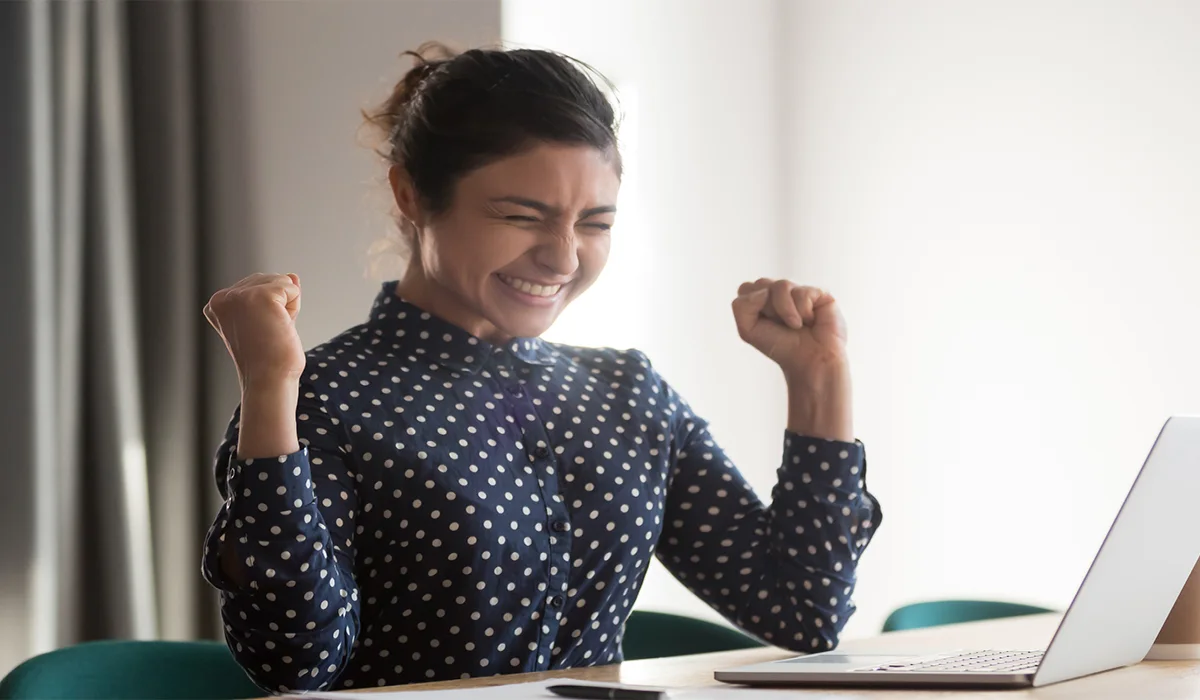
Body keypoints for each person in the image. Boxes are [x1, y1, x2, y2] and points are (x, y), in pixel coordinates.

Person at [200, 44, 882, 694]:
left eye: (595, 223)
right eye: (521, 215)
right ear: (411, 195)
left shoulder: (628, 394)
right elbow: (296, 663)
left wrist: (818, 378)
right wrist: (270, 389)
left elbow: (803, 611)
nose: (562, 259)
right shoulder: (323, 396)